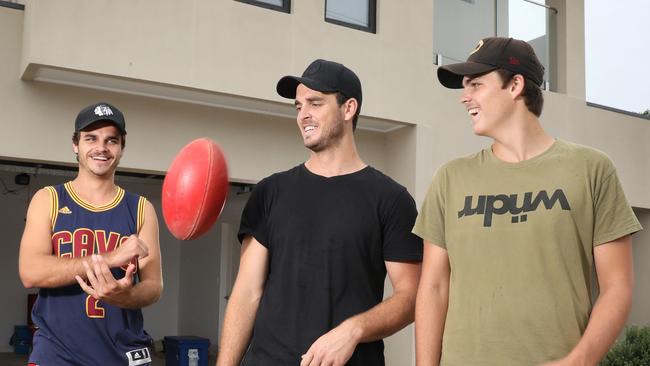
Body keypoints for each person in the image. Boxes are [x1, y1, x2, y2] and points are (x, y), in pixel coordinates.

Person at [413, 37, 643, 366]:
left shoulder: (592, 169)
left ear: (515, 85)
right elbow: (434, 287)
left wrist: (578, 361)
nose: (465, 98)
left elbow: (618, 287)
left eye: (476, 84)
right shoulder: (450, 178)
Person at [216, 59, 423, 366]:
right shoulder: (270, 192)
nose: (303, 116)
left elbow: (410, 297)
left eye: (315, 103)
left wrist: (353, 330)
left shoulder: (391, 199)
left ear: (348, 108)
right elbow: (246, 293)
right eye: (298, 106)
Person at [18, 102, 163, 366]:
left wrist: (124, 296)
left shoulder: (141, 208)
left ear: (121, 148)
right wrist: (110, 258)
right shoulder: (48, 199)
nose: (101, 148)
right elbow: (30, 271)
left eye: (111, 140)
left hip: (122, 352)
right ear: (76, 144)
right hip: (58, 353)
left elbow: (154, 286)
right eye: (91, 138)